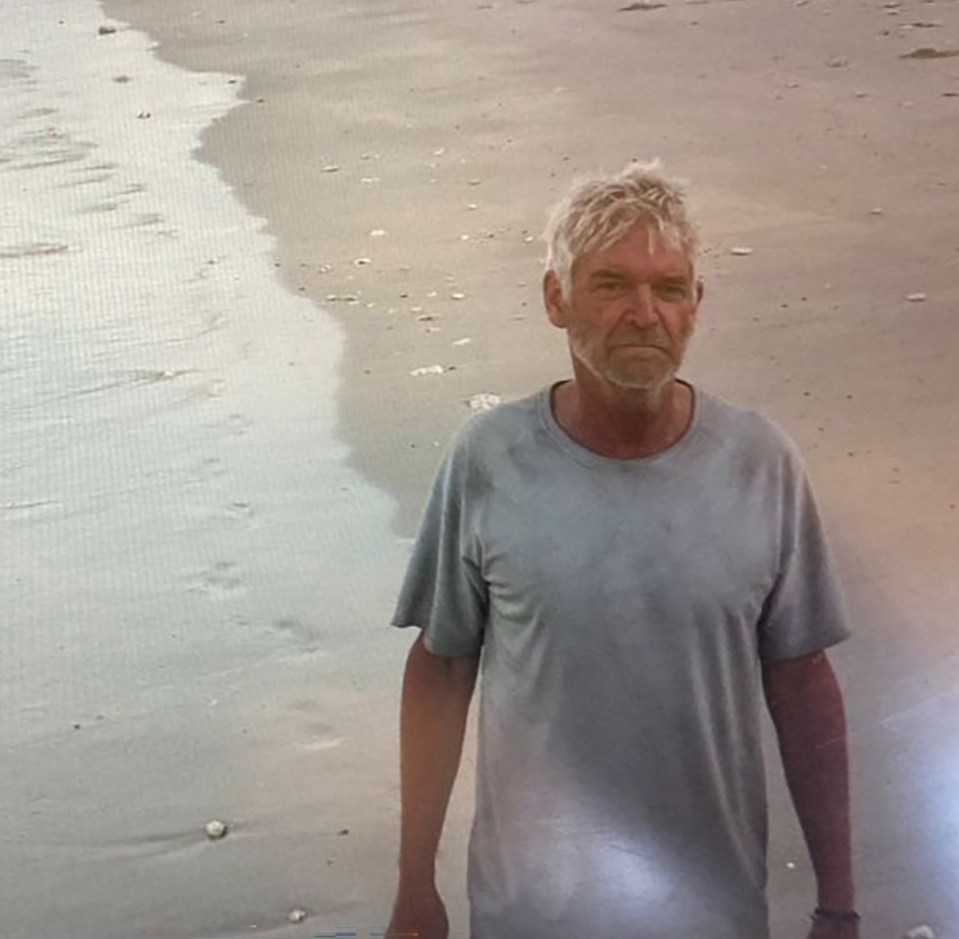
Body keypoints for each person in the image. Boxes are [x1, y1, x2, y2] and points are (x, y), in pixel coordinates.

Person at [384, 161, 858, 939]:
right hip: (527, 913)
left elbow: (803, 683)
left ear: (695, 306)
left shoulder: (759, 462)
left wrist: (837, 908)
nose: (644, 313)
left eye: (668, 289)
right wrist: (414, 886)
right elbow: (440, 668)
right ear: (555, 299)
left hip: (711, 911)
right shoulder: (489, 461)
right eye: (610, 285)